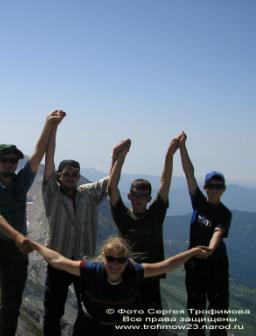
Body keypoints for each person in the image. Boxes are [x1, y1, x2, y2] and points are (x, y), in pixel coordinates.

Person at [0, 110, 66, 336]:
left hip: (15, 249)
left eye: (13, 161)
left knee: (11, 304)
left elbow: (39, 152)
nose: (9, 164)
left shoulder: (21, 181)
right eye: (5, 160)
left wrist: (50, 124)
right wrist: (19, 236)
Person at [41, 114, 130, 335]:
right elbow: (49, 157)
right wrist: (53, 128)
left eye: (75, 174)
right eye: (67, 174)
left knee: (90, 309)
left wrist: (120, 157)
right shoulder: (51, 193)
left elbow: (111, 182)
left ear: (79, 176)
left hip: (84, 263)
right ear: (59, 177)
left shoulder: (88, 193)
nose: (71, 177)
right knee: (53, 311)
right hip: (59, 262)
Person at [25, 235, 208, 336]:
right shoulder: (90, 269)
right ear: (103, 257)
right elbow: (58, 260)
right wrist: (35, 245)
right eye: (110, 259)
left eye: (120, 260)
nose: (115, 264)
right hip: (89, 328)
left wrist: (191, 252)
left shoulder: (135, 272)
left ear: (127, 260)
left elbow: (167, 266)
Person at [108, 137, 180, 333]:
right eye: (135, 195)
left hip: (151, 279)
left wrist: (169, 155)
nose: (139, 199)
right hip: (128, 278)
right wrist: (120, 158)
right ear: (129, 196)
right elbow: (112, 188)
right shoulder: (123, 216)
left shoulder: (156, 213)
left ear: (149, 198)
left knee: (150, 328)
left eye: (143, 196)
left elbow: (165, 184)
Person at [177, 131, 232, 336]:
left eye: (218, 186)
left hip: (216, 262)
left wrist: (210, 249)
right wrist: (183, 147)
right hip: (195, 263)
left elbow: (219, 231)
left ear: (224, 189)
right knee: (195, 310)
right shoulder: (198, 202)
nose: (214, 189)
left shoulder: (224, 213)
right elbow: (189, 173)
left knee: (218, 312)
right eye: (211, 186)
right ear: (205, 187)